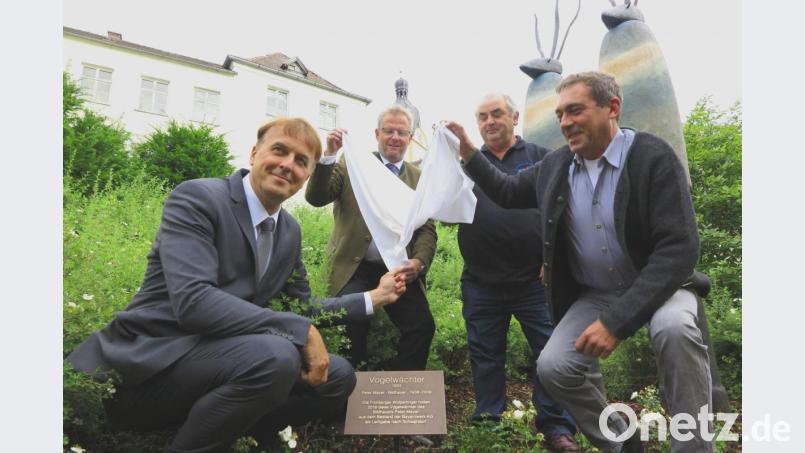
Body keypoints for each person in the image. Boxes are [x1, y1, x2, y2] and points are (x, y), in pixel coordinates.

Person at [66, 117, 407, 453]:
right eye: (279, 150)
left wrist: (373, 298)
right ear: (254, 153)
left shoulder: (288, 231)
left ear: (307, 176)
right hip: (151, 368)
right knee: (275, 357)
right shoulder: (198, 198)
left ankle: (236, 433)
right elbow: (194, 301)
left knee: (339, 376)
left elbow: (301, 307)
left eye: (301, 161)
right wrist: (301, 331)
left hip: (223, 361)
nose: (287, 164)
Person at [447, 72, 713, 453]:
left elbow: (680, 248)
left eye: (575, 110)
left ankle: (693, 448)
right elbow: (507, 191)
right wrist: (468, 151)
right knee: (554, 366)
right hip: (598, 293)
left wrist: (617, 321)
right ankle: (621, 442)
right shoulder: (557, 166)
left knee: (675, 330)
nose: (565, 122)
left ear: (612, 107)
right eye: (560, 114)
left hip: (660, 287)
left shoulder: (653, 157)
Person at [458, 93, 579, 452]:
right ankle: (489, 423)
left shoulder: (541, 157)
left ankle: (557, 427)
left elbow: (566, 211)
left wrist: (553, 258)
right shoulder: (467, 164)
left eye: (496, 114)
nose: (489, 121)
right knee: (485, 354)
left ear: (514, 118)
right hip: (480, 280)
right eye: (482, 116)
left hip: (534, 280)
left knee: (549, 353)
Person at [305, 105, 437, 372]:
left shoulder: (419, 179)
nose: (395, 137)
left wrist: (418, 262)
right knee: (350, 323)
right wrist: (329, 154)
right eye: (389, 131)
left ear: (410, 138)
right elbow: (316, 198)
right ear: (377, 134)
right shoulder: (353, 164)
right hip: (354, 267)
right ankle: (352, 387)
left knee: (422, 326)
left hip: (398, 269)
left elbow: (426, 228)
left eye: (402, 132)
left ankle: (401, 387)